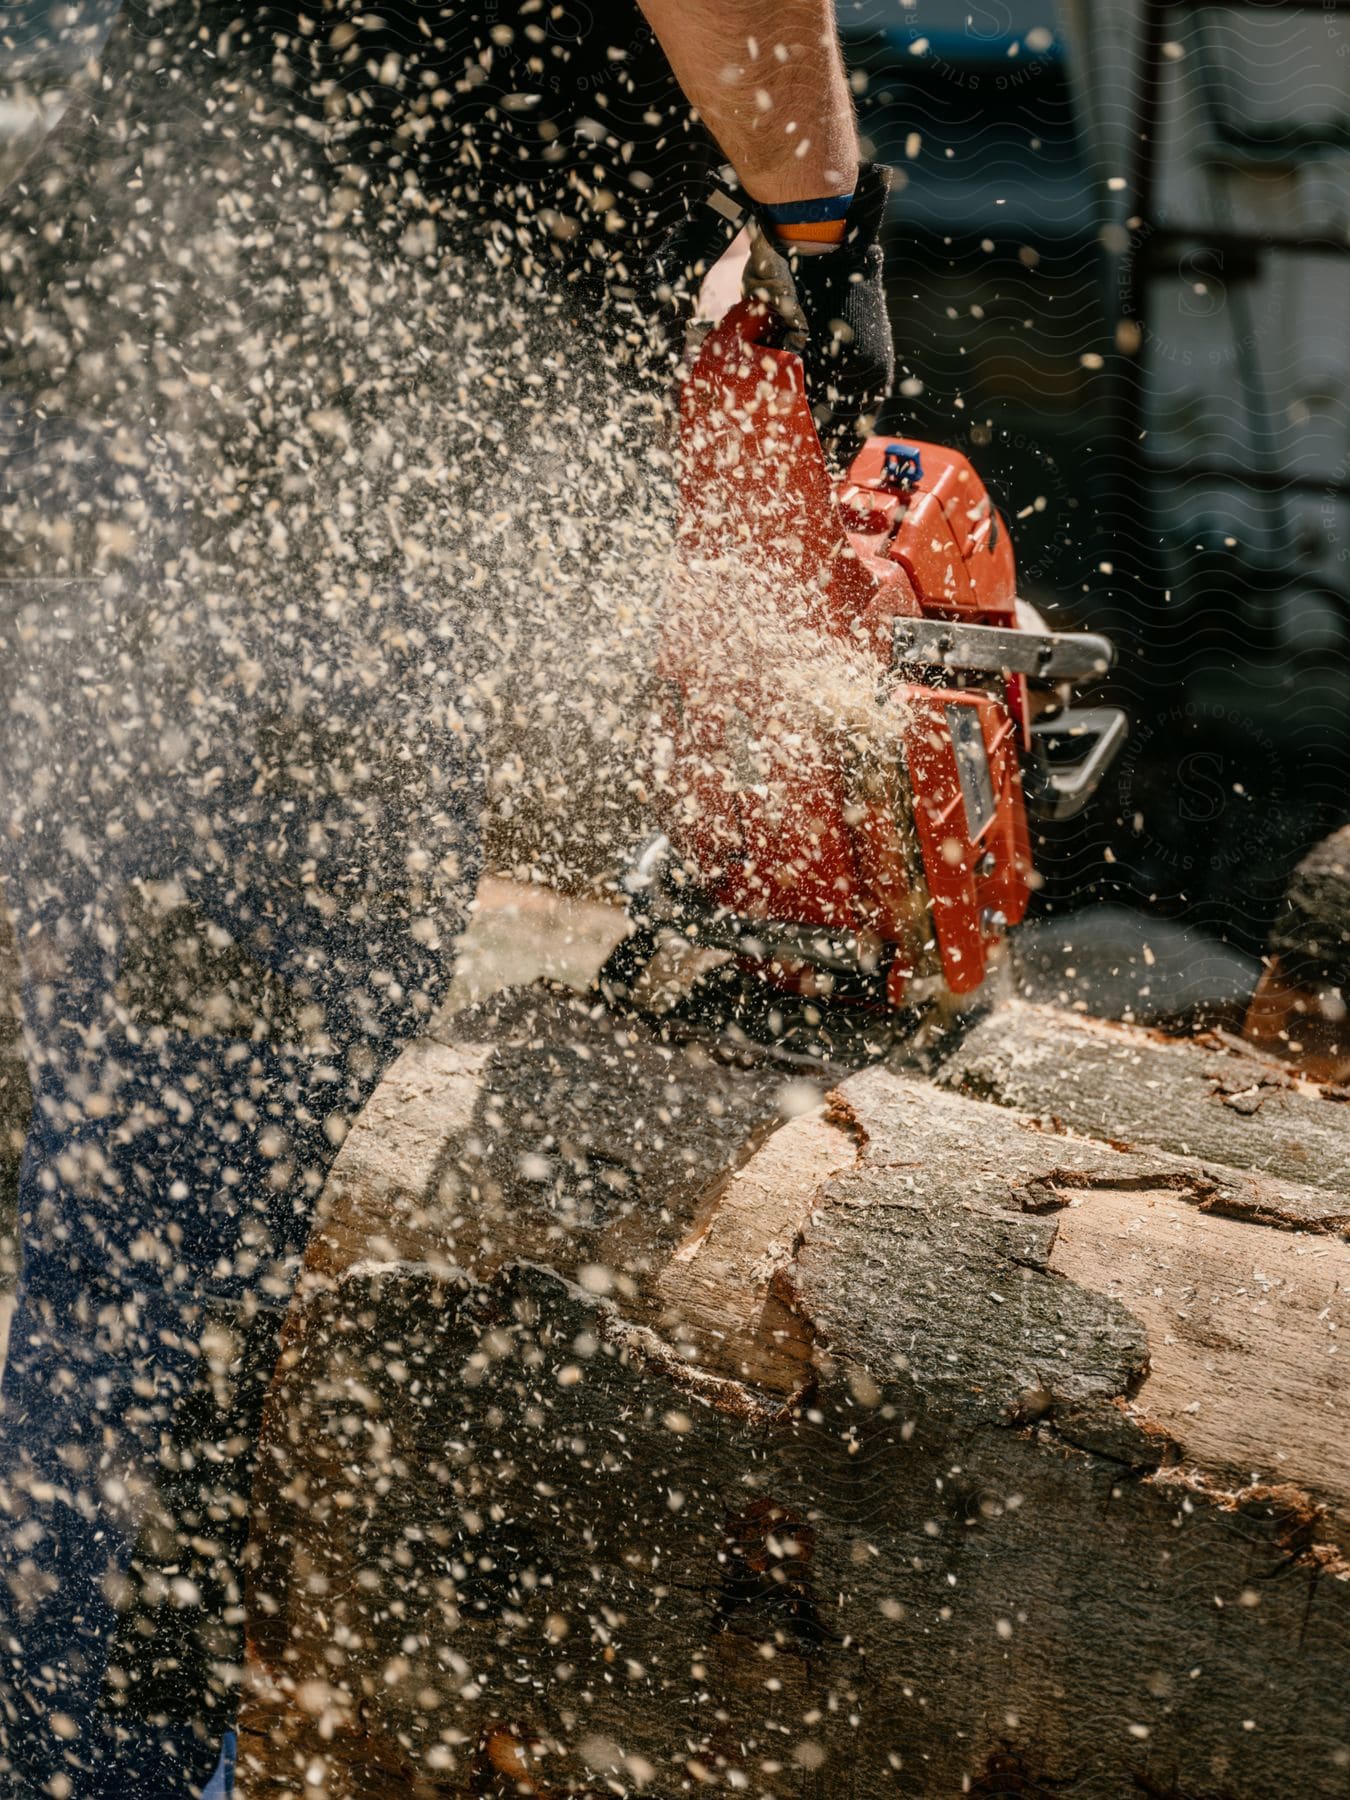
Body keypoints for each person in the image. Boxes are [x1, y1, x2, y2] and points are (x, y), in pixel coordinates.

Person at [0, 3, 892, 1793]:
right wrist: (824, 224)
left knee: (120, 1191)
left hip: (146, 366)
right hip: (293, 467)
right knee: (202, 1201)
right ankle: (107, 1761)